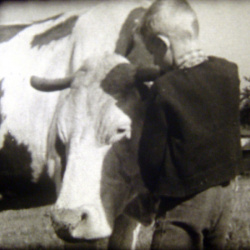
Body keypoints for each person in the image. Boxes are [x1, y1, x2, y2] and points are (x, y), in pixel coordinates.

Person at [138, 0, 243, 249]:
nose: (153, 61)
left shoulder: (164, 90)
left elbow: (150, 157)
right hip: (223, 193)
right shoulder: (228, 72)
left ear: (162, 44)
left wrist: (152, 189)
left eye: (153, 52)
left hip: (183, 201)